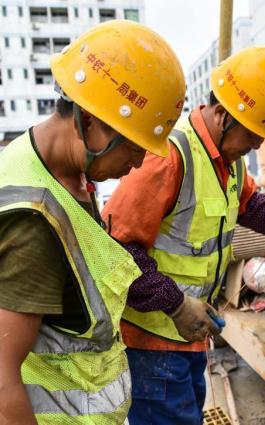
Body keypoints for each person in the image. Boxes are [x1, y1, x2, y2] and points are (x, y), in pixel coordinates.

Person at [102, 46, 265, 424]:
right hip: (152, 342)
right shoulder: (170, 157)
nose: (259, 145)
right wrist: (177, 305)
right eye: (254, 133)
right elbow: (113, 251)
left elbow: (253, 210)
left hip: (188, 339)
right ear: (223, 115)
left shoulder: (230, 161)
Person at [0, 20, 186, 424]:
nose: (138, 163)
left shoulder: (65, 169)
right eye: (135, 147)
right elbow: (2, 380)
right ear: (89, 121)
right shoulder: (35, 219)